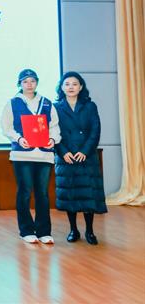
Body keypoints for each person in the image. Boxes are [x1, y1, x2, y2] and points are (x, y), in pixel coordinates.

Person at [1, 69, 61, 244]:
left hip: (44, 155)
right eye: (25, 81)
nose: (29, 84)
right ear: (19, 84)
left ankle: (44, 231)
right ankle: (26, 230)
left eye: (32, 81)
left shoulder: (47, 103)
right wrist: (19, 138)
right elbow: (6, 127)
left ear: (37, 83)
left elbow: (55, 126)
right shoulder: (12, 103)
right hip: (22, 155)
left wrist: (52, 139)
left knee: (42, 193)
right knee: (25, 192)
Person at [54, 71, 107, 245]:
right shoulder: (55, 107)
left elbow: (95, 130)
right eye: (67, 84)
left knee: (88, 194)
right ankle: (73, 230)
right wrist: (63, 152)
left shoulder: (90, 106)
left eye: (75, 84)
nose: (71, 87)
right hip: (66, 157)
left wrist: (85, 151)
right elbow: (53, 132)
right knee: (70, 194)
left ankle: (90, 231)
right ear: (62, 87)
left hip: (87, 156)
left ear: (81, 87)